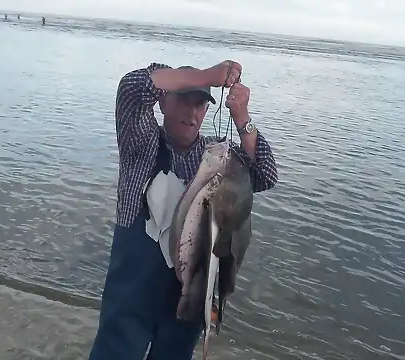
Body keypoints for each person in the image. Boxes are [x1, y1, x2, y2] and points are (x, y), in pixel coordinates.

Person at [87, 60, 278, 360]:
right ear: (163, 102)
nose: (192, 113)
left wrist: (242, 119)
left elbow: (265, 174)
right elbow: (132, 88)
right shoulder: (142, 143)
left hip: (189, 294)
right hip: (132, 295)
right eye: (183, 100)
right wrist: (206, 77)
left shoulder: (218, 158)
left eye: (200, 105)